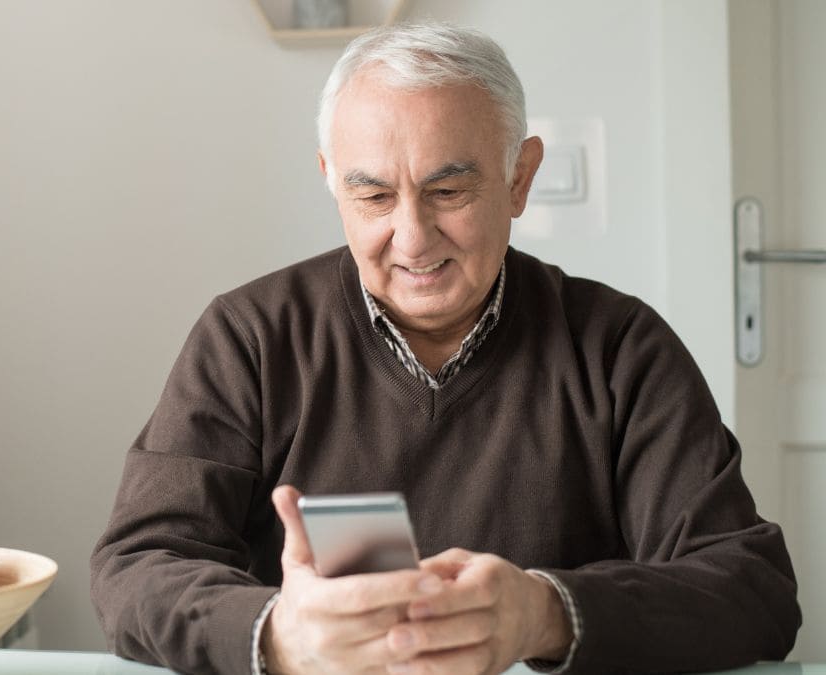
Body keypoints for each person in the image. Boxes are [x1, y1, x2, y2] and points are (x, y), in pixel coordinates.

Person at [90, 21, 801, 675]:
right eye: (372, 198)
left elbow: (753, 585)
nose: (413, 237)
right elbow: (136, 566)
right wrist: (277, 631)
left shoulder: (618, 348)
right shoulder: (249, 336)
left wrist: (544, 611)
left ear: (519, 178)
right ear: (332, 181)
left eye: (449, 190)